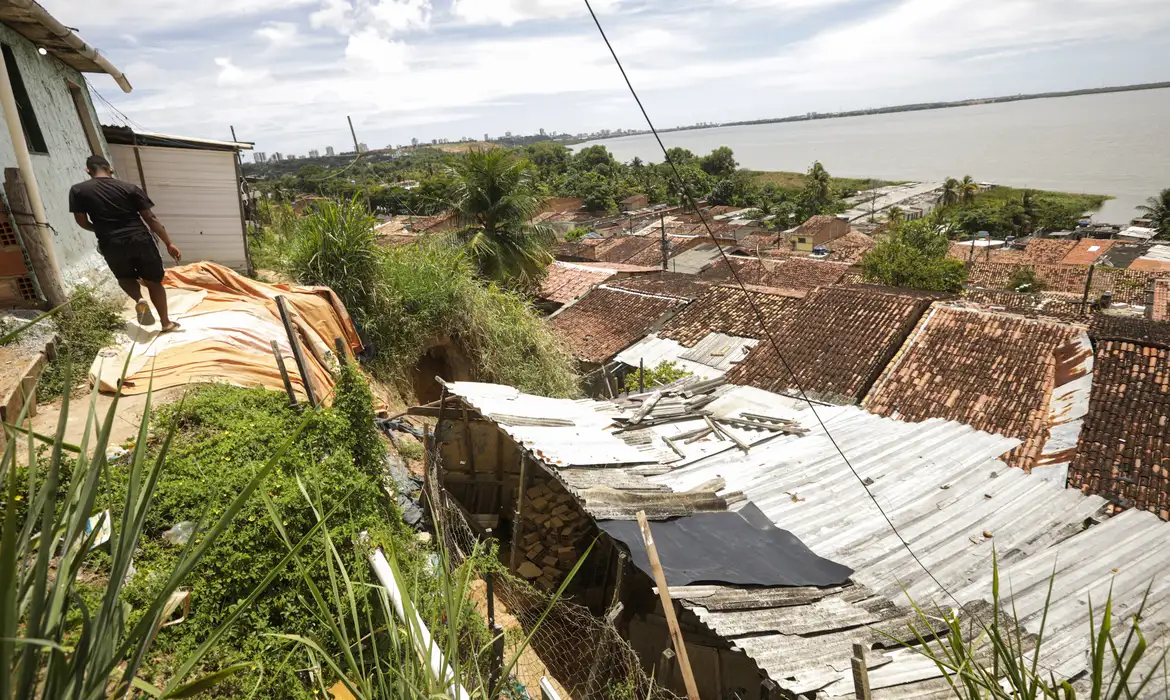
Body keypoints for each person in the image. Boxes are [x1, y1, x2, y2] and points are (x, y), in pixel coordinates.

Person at [69, 155, 182, 331]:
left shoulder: (78, 190)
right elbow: (150, 218)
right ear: (110, 169)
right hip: (140, 238)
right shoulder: (130, 188)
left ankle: (139, 299)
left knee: (124, 277)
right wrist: (169, 243)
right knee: (153, 281)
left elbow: (81, 222)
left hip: (110, 241)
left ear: (88, 171)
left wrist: (101, 230)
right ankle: (166, 323)